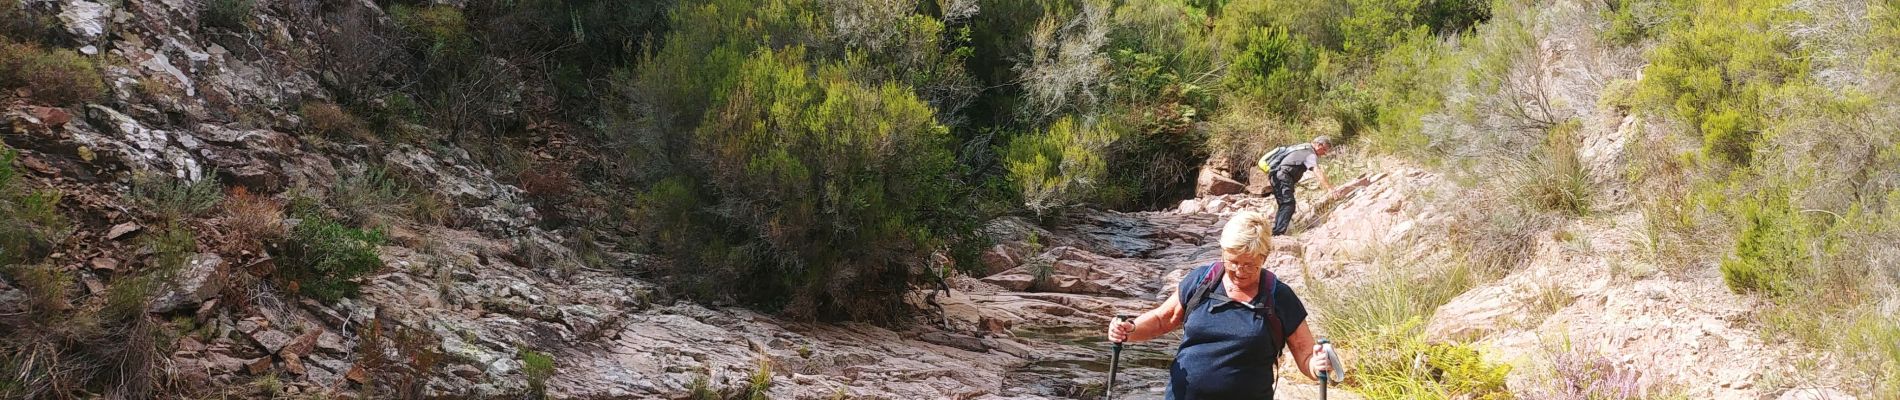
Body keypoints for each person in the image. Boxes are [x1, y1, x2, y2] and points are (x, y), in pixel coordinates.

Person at [1106, 211, 1336, 399]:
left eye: (1249, 265)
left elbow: (1305, 354)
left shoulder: (1279, 296)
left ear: (1264, 258)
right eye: (1232, 262)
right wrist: (1130, 330)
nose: (1239, 271)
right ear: (1223, 252)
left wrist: (1317, 365)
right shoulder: (1201, 281)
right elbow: (1162, 319)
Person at [1259, 136, 1334, 236]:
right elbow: (1317, 171)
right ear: (1318, 145)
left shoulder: (1301, 147)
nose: (1324, 153)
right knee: (1288, 204)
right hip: (1283, 176)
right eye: (1324, 150)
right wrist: (1330, 189)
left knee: (1284, 204)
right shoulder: (1310, 153)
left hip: (1275, 175)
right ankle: (1278, 233)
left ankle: (1275, 231)